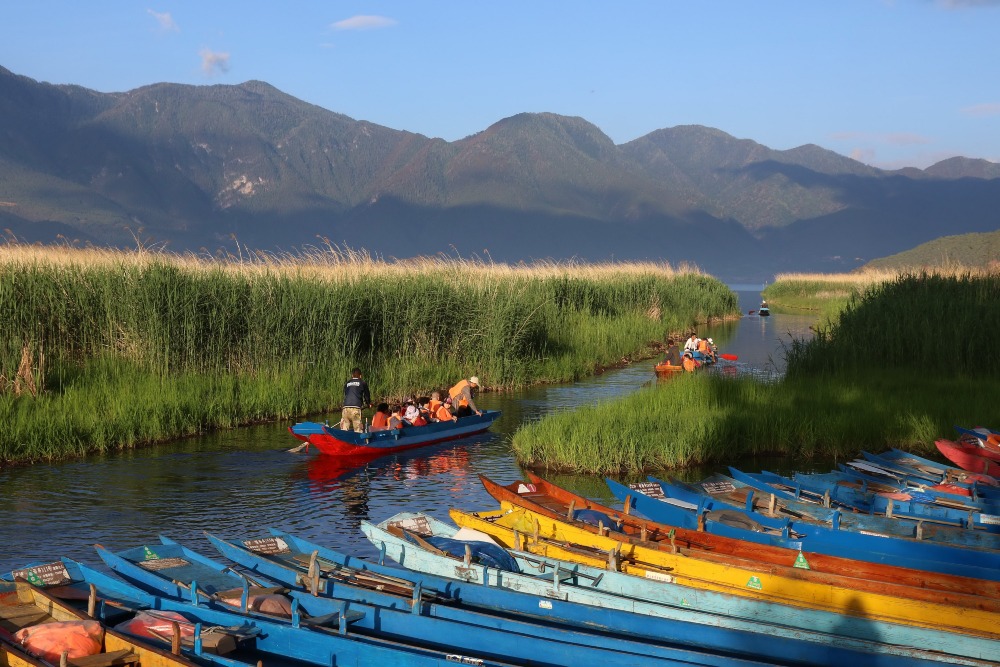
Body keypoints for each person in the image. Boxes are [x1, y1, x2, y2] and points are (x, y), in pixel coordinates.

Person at [341, 367, 371, 433]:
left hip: (345, 408)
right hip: (355, 409)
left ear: (352, 376)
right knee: (358, 430)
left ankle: (342, 439)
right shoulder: (363, 383)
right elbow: (366, 395)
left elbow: (346, 394)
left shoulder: (347, 383)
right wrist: (368, 403)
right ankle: (359, 442)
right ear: (360, 375)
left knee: (344, 430)